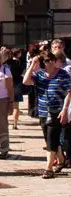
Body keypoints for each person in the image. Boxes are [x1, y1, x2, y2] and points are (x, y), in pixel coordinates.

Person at [23, 49, 71, 178]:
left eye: (49, 61)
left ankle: (48, 168)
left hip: (57, 111)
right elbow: (26, 81)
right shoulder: (40, 75)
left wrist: (65, 109)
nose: (46, 63)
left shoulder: (63, 74)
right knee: (49, 139)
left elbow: (69, 92)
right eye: (44, 61)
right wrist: (33, 65)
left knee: (51, 138)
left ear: (55, 61)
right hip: (43, 111)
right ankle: (61, 160)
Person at [8, 47, 25, 130]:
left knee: (5, 105)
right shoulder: (20, 62)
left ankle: (4, 122)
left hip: (8, 85)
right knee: (16, 106)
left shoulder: (8, 62)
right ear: (18, 53)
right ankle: (14, 124)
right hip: (17, 84)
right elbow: (23, 72)